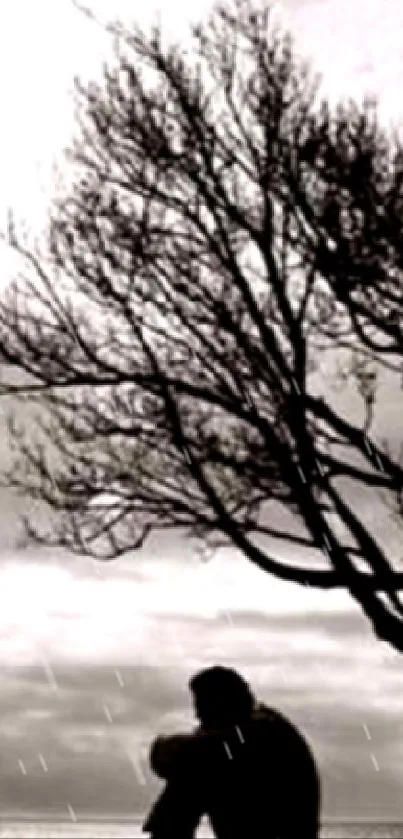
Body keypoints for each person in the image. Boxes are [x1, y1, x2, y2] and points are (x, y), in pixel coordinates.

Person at [143, 665, 321, 839]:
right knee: (194, 770)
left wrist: (164, 749)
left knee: (197, 766)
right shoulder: (228, 740)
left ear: (224, 703)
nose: (197, 716)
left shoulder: (267, 732)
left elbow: (193, 752)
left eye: (202, 707)